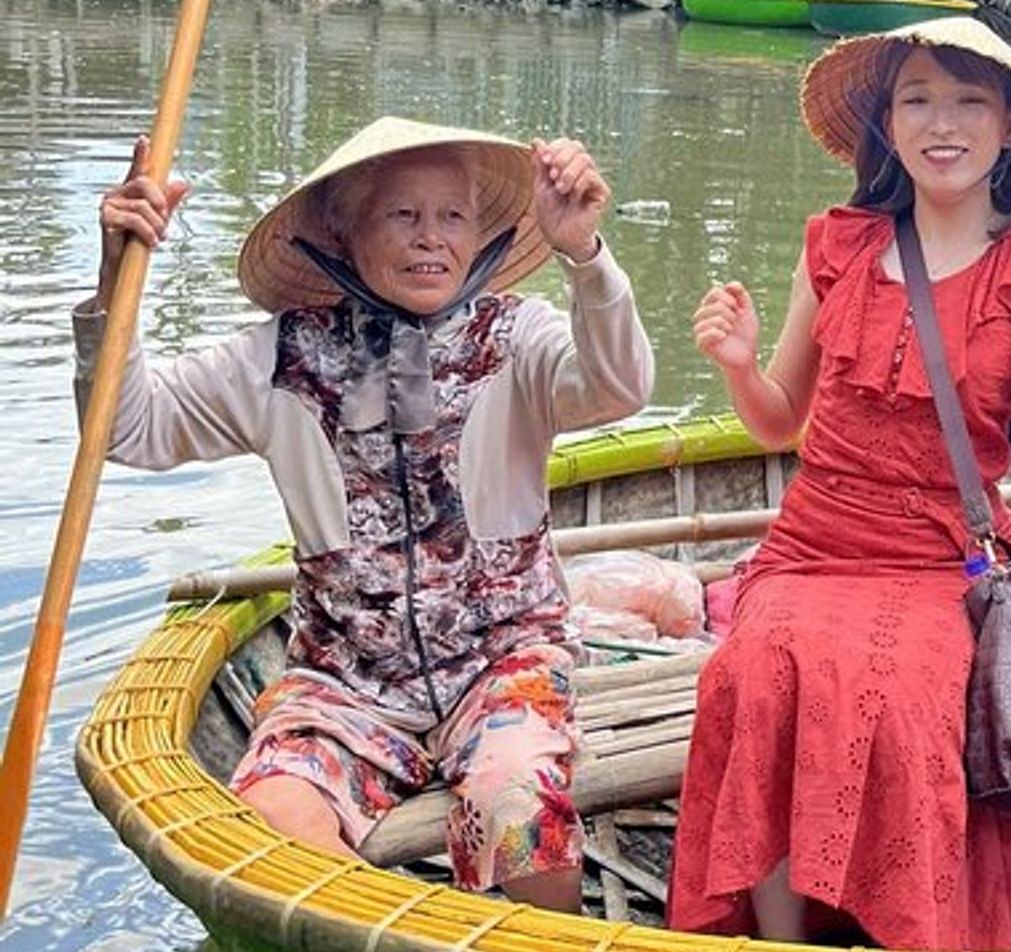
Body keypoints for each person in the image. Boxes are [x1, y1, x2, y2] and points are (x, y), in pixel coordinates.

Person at [77, 118, 654, 912]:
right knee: (272, 824)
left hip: (503, 662)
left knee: (515, 805)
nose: (431, 240)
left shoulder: (517, 338)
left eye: (451, 216)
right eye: (402, 216)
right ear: (344, 233)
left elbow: (620, 385)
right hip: (343, 679)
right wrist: (117, 283)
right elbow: (126, 427)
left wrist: (585, 260)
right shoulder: (280, 356)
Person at [668, 17, 1011, 949]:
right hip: (812, 546)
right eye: (917, 99)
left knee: (909, 696)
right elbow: (780, 420)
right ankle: (782, 935)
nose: (943, 123)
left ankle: (912, 929)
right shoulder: (837, 243)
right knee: (751, 671)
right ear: (887, 122)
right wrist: (734, 363)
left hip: (943, 558)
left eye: (969, 101)